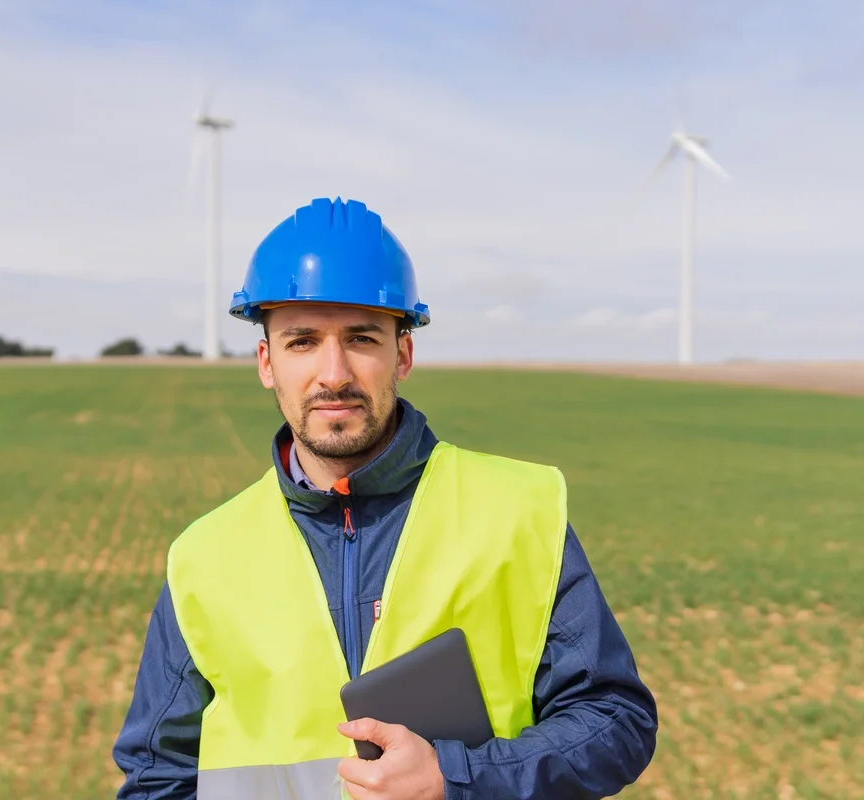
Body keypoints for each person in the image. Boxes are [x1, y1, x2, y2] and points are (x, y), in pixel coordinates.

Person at [113, 197, 658, 799]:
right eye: (302, 342)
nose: (334, 373)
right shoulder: (206, 557)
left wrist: (456, 778)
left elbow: (615, 721)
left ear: (402, 353)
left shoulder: (517, 511)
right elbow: (157, 778)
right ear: (266, 361)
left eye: (361, 338)